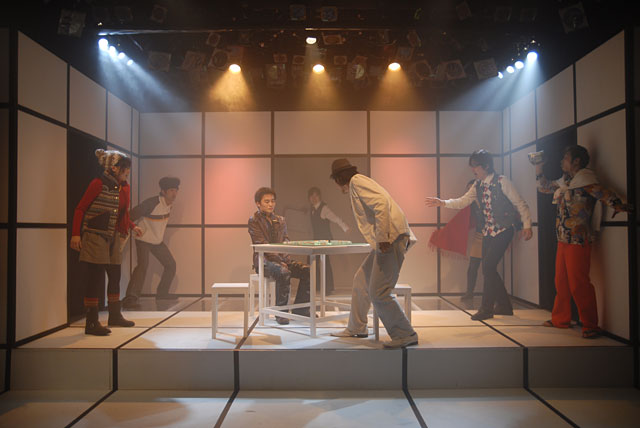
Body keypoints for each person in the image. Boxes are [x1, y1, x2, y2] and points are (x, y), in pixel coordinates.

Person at [535, 145, 631, 338]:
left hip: (578, 239)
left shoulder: (587, 181)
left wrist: (620, 205)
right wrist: (538, 167)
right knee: (561, 281)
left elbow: (606, 195)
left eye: (566, 158)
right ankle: (560, 318)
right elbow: (544, 187)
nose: (562, 161)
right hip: (563, 237)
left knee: (579, 283)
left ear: (576, 161)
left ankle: (590, 324)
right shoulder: (566, 181)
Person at [426, 149, 533, 321]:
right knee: (488, 268)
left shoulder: (502, 181)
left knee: (488, 267)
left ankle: (486, 308)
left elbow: (520, 203)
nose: (473, 169)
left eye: (475, 166)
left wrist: (527, 225)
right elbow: (463, 201)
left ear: (486, 166)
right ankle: (504, 305)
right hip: (487, 232)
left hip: (504, 230)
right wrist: (443, 202)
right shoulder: (478, 185)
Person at [328, 159, 418, 348]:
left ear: (338, 179)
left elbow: (381, 204)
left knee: (379, 292)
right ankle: (357, 327)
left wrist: (383, 237)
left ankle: (405, 334)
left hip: (390, 238)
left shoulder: (357, 181)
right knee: (361, 280)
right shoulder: (358, 183)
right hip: (388, 238)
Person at [70, 149, 142, 335]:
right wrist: (76, 234)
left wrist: (132, 226)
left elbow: (121, 213)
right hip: (95, 234)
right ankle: (91, 321)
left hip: (113, 235)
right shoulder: (98, 184)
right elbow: (80, 209)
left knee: (115, 274)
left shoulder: (122, 187)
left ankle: (115, 315)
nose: (127, 172)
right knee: (95, 277)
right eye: (125, 168)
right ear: (114, 168)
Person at [248, 187, 311, 325]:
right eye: (267, 201)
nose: (271, 204)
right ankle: (281, 313)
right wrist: (279, 260)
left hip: (282, 260)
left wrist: (284, 258)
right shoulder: (254, 221)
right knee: (283, 272)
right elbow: (261, 244)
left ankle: (301, 309)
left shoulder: (280, 220)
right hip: (264, 261)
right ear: (258, 203)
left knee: (308, 270)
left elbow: (286, 240)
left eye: (273, 201)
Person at [122, 176, 180, 309]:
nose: (175, 193)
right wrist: (132, 228)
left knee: (171, 264)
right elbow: (130, 215)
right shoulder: (152, 203)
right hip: (143, 239)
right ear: (163, 191)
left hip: (157, 241)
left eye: (176, 190)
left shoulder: (169, 205)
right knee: (142, 266)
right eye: (171, 190)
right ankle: (130, 298)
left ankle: (162, 293)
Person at [428, 179, 484, 303]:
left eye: (472, 189)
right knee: (473, 266)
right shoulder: (471, 205)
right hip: (480, 235)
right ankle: (470, 292)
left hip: (493, 236)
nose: (470, 192)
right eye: (469, 190)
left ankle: (494, 297)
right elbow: (458, 221)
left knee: (489, 268)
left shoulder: (488, 202)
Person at [307, 186, 350, 295]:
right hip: (317, 239)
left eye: (316, 196)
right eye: (312, 196)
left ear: (320, 196)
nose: (314, 198)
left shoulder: (324, 208)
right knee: (312, 261)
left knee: (324, 262)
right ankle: (317, 286)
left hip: (325, 239)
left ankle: (328, 288)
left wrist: (345, 227)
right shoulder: (312, 208)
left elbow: (336, 218)